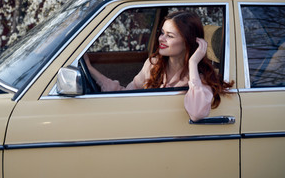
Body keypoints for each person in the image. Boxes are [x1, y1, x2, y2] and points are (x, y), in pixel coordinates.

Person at [84, 10, 233, 121]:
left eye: (170, 36)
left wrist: (193, 63)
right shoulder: (152, 64)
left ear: (187, 42)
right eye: (162, 33)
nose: (161, 39)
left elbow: (197, 113)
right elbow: (125, 94)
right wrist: (90, 70)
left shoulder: (201, 77)